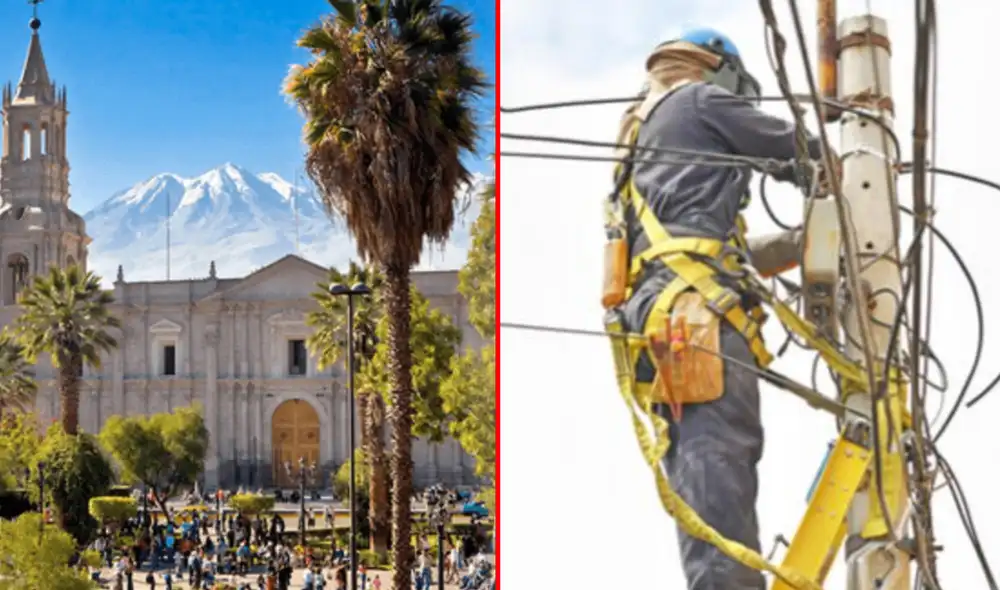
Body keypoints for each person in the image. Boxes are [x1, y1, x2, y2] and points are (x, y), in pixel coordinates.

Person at [607, 28, 831, 590]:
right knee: (718, 467)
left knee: (704, 476)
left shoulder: (639, 141)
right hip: (694, 318)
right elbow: (801, 154)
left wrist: (805, 245)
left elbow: (697, 249)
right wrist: (859, 173)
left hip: (668, 315)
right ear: (719, 70)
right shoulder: (700, 99)